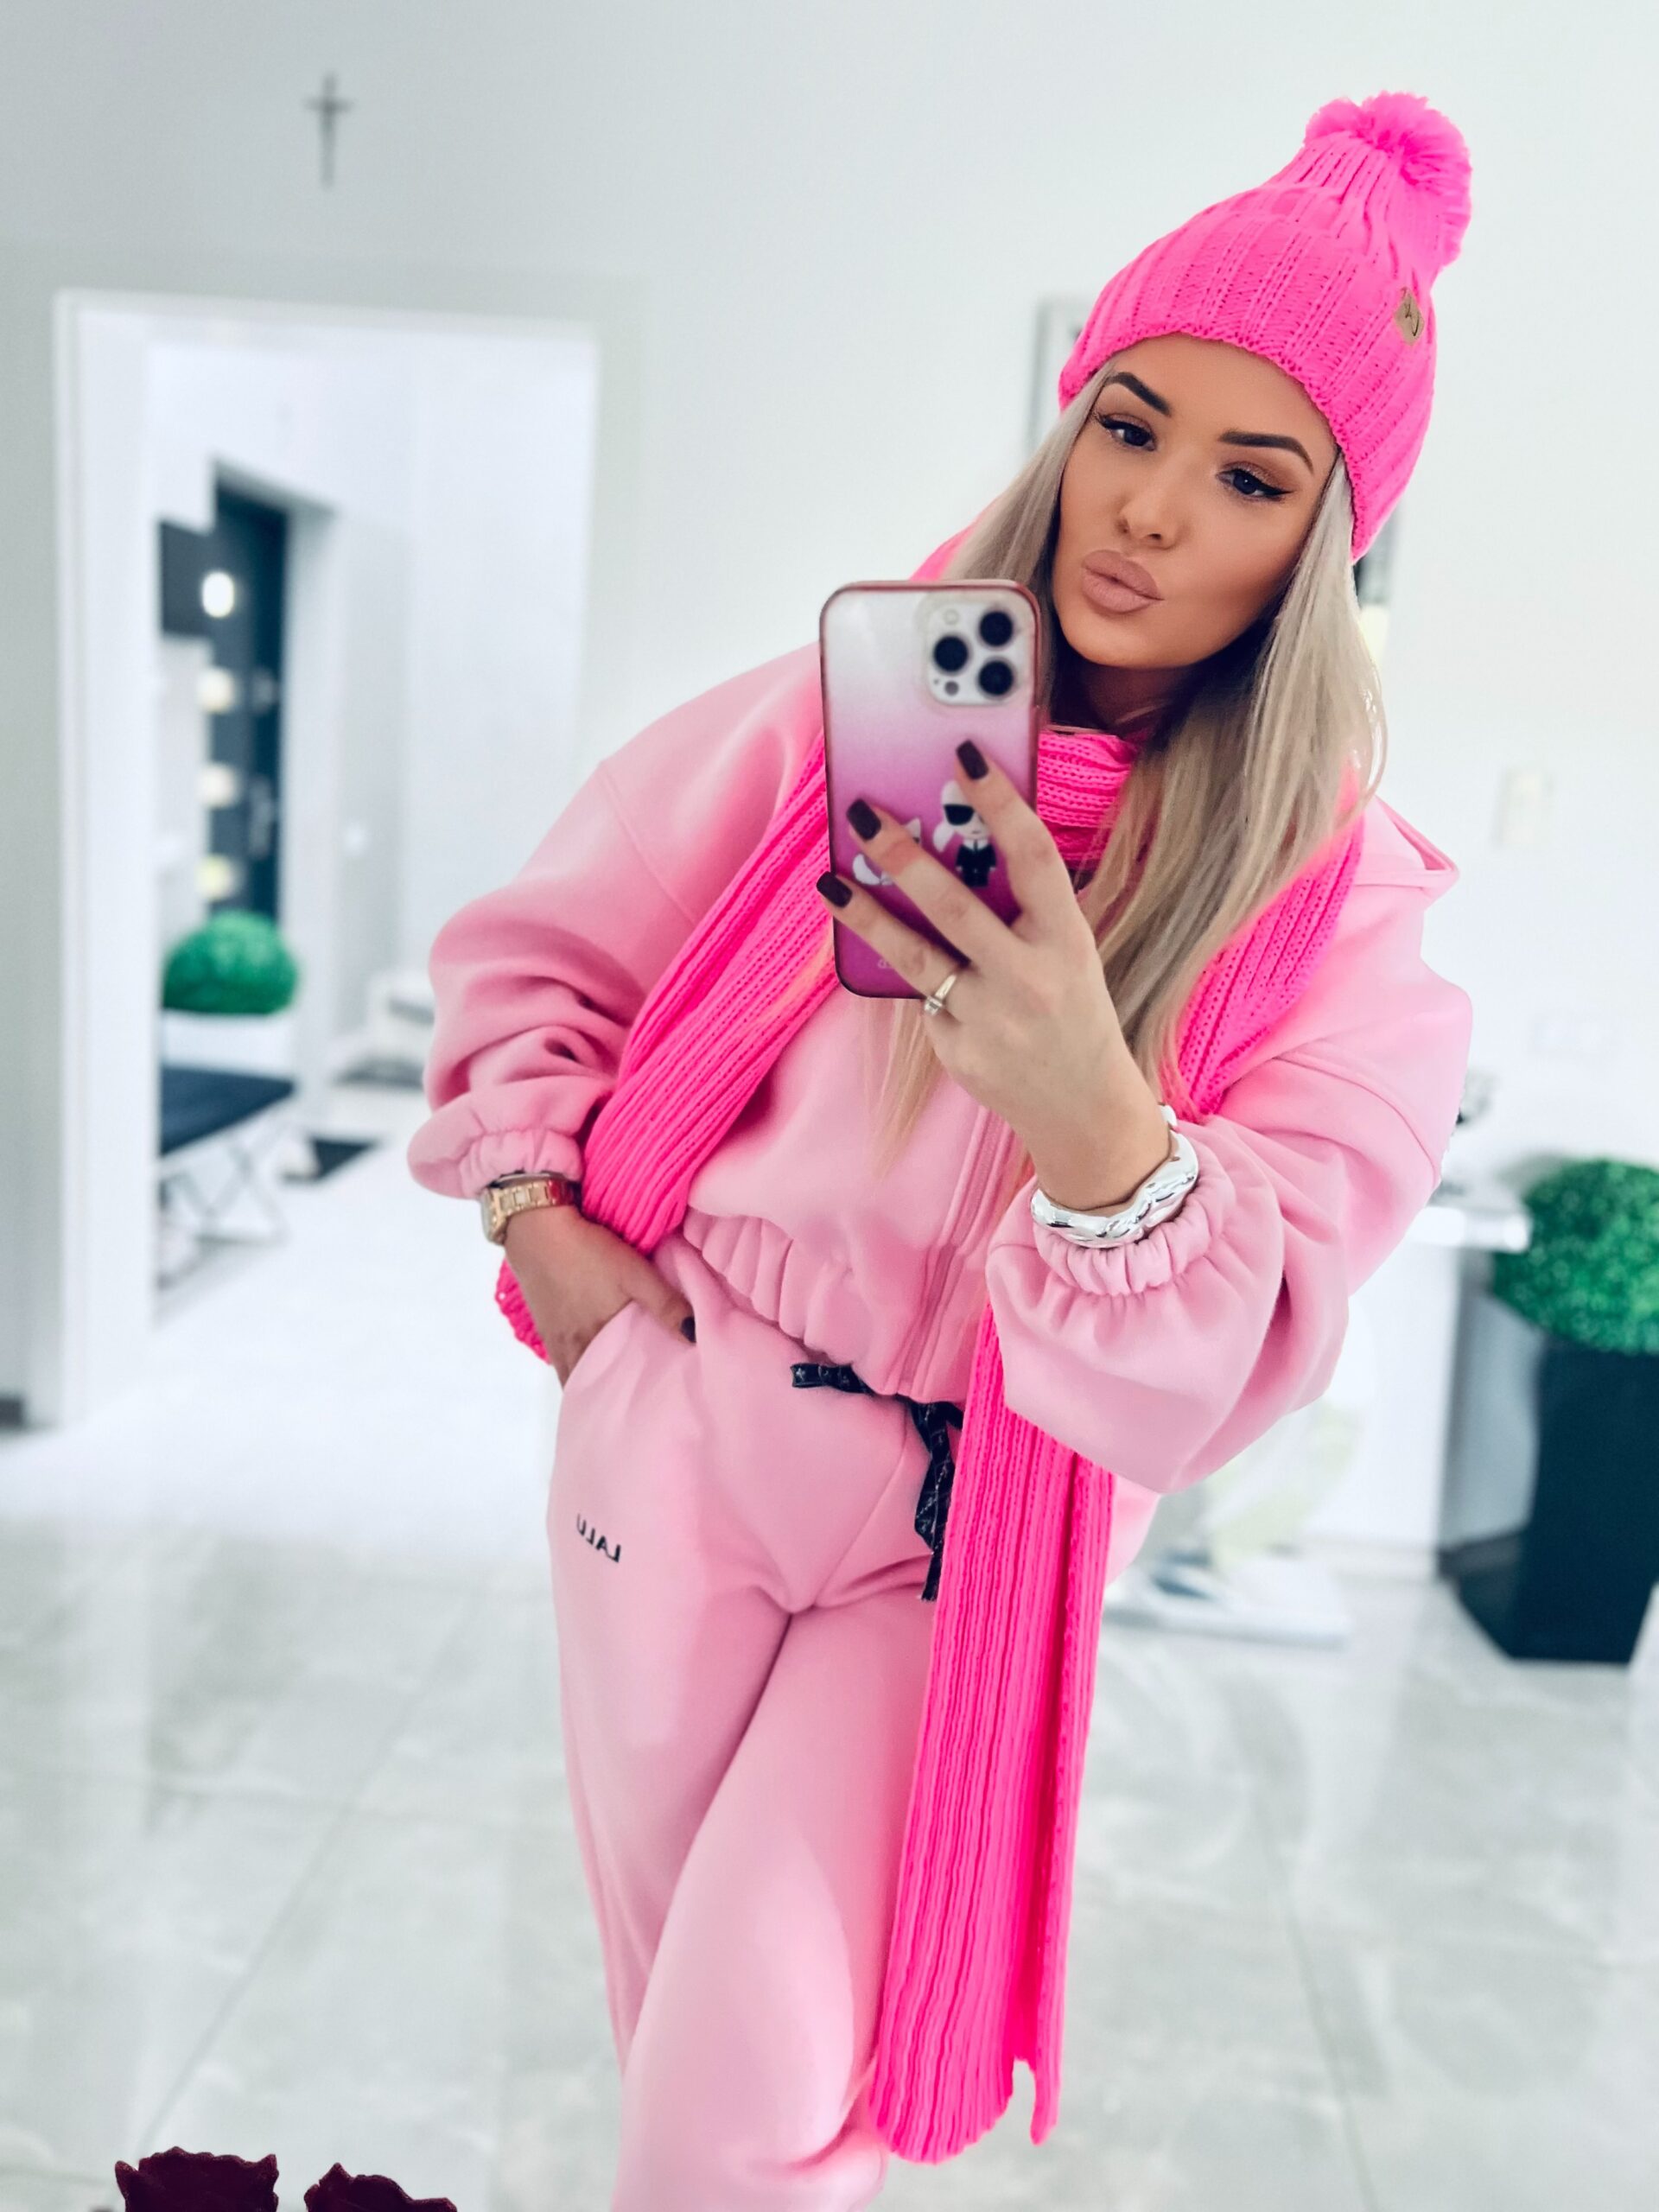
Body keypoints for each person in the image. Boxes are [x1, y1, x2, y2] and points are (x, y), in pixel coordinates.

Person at [407, 87, 1475, 2212]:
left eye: (1250, 473)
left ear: (1326, 541)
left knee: (739, 2113)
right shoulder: (845, 727)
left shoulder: (1343, 910)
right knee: (675, 2036)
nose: (1149, 507)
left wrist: (1096, 1112)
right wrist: (543, 1226)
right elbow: (544, 957)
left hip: (960, 1527)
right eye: (1130, 423)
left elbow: (1253, 1336)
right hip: (677, 1425)